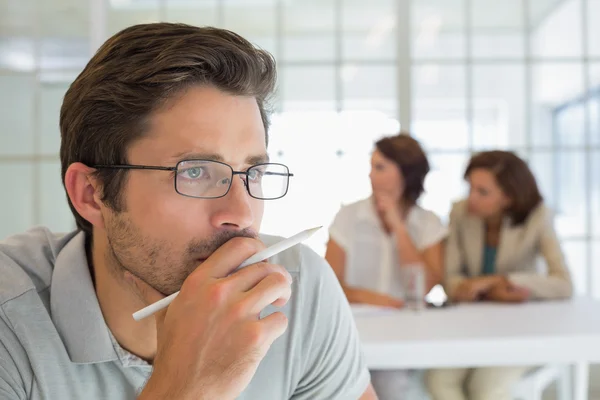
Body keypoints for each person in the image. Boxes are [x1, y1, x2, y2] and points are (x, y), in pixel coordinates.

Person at [0, 23, 377, 400]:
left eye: (253, 173)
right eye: (195, 172)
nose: (242, 215)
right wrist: (185, 388)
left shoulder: (298, 290)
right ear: (91, 193)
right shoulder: (10, 321)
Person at [426, 150, 573, 400]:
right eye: (470, 188)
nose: (472, 198)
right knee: (439, 381)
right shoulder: (460, 213)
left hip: (523, 330)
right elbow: (450, 281)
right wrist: (491, 291)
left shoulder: (538, 217)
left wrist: (499, 280)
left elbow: (563, 284)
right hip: (470, 328)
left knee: (485, 388)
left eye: (483, 192)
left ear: (508, 197)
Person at [325, 133, 447, 400]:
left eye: (380, 167)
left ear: (405, 174)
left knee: (390, 383)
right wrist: (380, 300)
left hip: (406, 333)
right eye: (371, 166)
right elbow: (330, 285)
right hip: (355, 330)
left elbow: (424, 286)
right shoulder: (348, 217)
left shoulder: (428, 223)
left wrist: (398, 227)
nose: (370, 175)